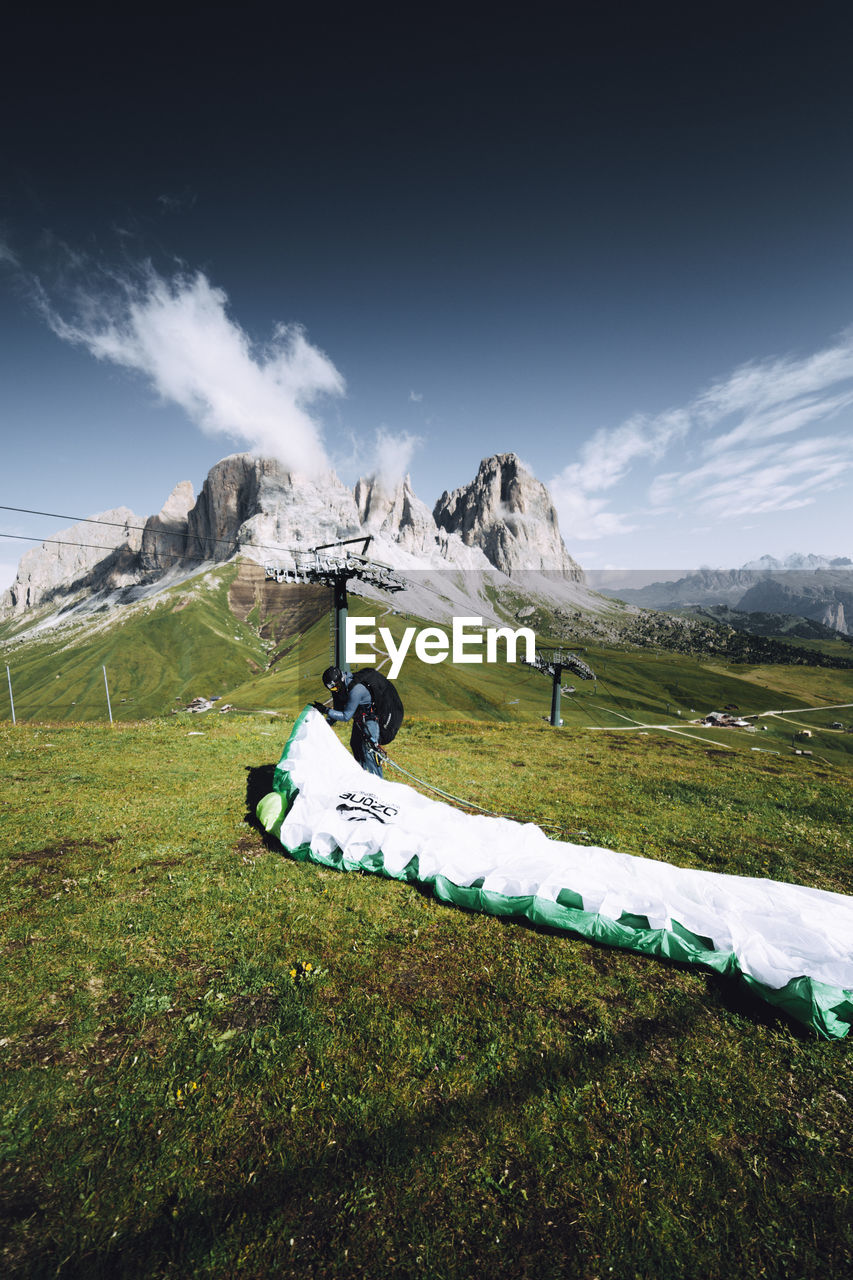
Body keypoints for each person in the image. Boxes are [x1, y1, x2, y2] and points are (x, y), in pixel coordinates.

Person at [318, 666, 383, 777]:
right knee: (355, 745)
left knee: (369, 752)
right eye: (332, 689)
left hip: (370, 721)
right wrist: (323, 724)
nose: (336, 690)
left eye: (336, 687)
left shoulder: (356, 690)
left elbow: (346, 716)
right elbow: (338, 709)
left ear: (341, 679)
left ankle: (378, 783)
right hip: (359, 721)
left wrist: (326, 710)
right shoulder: (339, 687)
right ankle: (360, 778)